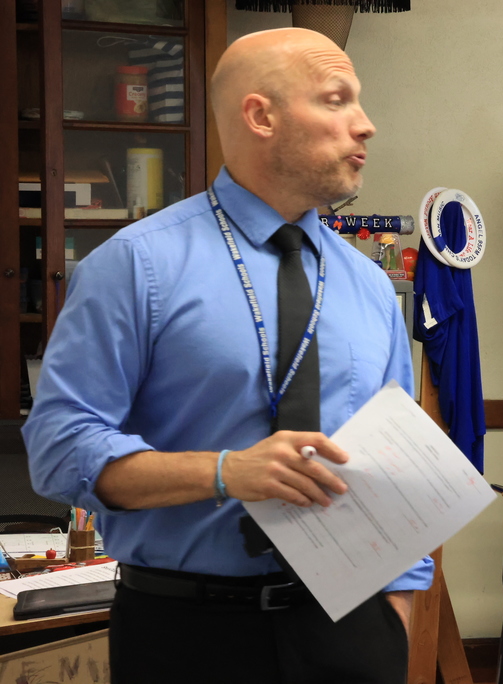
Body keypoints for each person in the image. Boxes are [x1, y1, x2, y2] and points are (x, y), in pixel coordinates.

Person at [22, 27, 432, 684]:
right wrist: (223, 472)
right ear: (260, 115)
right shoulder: (137, 266)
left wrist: (394, 619)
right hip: (187, 635)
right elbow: (58, 452)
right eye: (336, 100)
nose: (366, 125)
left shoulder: (372, 288)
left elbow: (394, 473)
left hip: (352, 631)